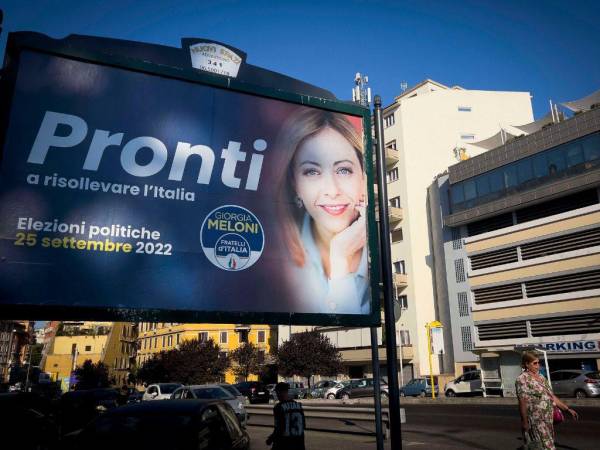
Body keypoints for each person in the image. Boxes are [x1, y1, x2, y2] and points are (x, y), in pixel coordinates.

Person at [276, 109, 369, 314]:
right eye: (312, 171)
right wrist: (340, 258)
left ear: (363, 177)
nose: (332, 191)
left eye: (343, 170)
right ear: (295, 184)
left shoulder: (381, 251)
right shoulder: (278, 268)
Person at [516, 351, 578, 449]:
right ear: (527, 364)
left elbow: (551, 396)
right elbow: (522, 401)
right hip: (536, 420)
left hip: (548, 418)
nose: (538, 366)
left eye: (538, 363)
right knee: (546, 446)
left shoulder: (541, 377)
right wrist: (524, 421)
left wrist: (567, 409)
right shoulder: (522, 379)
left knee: (547, 444)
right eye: (534, 363)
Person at [266, 382, 305, 450]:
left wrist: (270, 439)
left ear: (280, 392)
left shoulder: (278, 407)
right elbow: (303, 425)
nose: (277, 395)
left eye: (277, 392)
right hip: (299, 444)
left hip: (284, 444)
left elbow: (279, 428)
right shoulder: (299, 406)